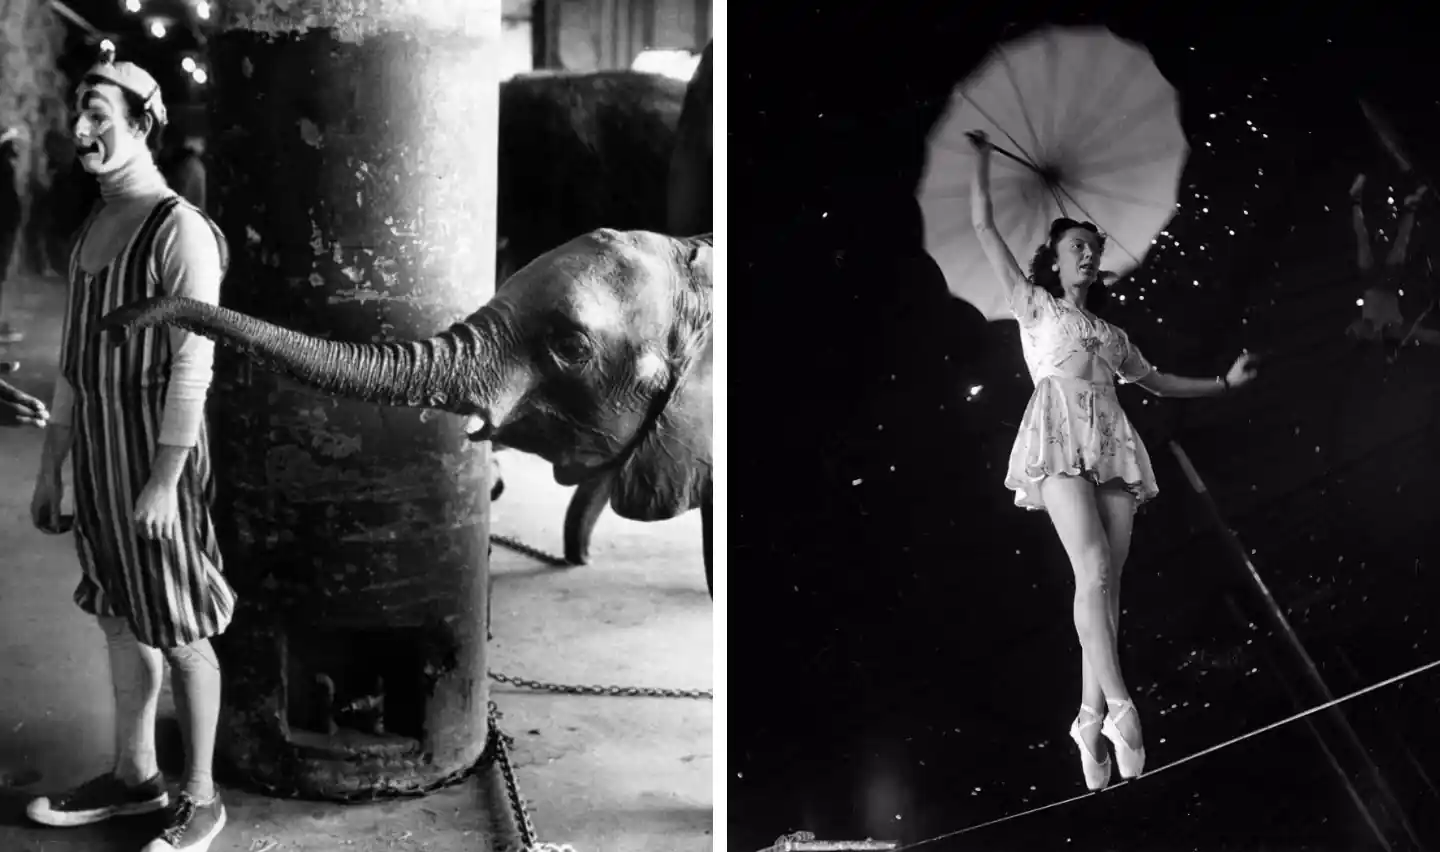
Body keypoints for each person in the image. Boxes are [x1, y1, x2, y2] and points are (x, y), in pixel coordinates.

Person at [966, 130, 1258, 791]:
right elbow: (983, 224)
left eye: (1095, 250)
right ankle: (1122, 707)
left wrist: (1223, 385)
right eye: (1078, 248)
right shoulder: (1032, 304)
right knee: (1092, 568)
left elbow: (1157, 384)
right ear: (1055, 259)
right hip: (1058, 432)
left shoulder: (1115, 336)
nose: (1090, 257)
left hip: (1112, 441)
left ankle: (1087, 713)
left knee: (1110, 589)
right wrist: (982, 157)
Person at [25, 51, 233, 852]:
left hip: (157, 461)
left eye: (100, 116)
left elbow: (194, 363)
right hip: (102, 461)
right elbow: (76, 364)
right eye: (78, 113)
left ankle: (203, 798)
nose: (82, 129)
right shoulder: (92, 231)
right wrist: (53, 469)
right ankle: (134, 775)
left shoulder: (177, 230)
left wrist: (163, 482)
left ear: (143, 124)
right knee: (119, 617)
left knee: (182, 629)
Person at [1344, 173, 1440, 347]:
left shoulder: (1372, 331)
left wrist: (1355, 329)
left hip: (1371, 283)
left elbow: (1355, 327)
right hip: (1389, 283)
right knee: (1400, 242)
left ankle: (1355, 199)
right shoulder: (1392, 330)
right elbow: (1425, 335)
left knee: (1363, 240)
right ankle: (1411, 205)